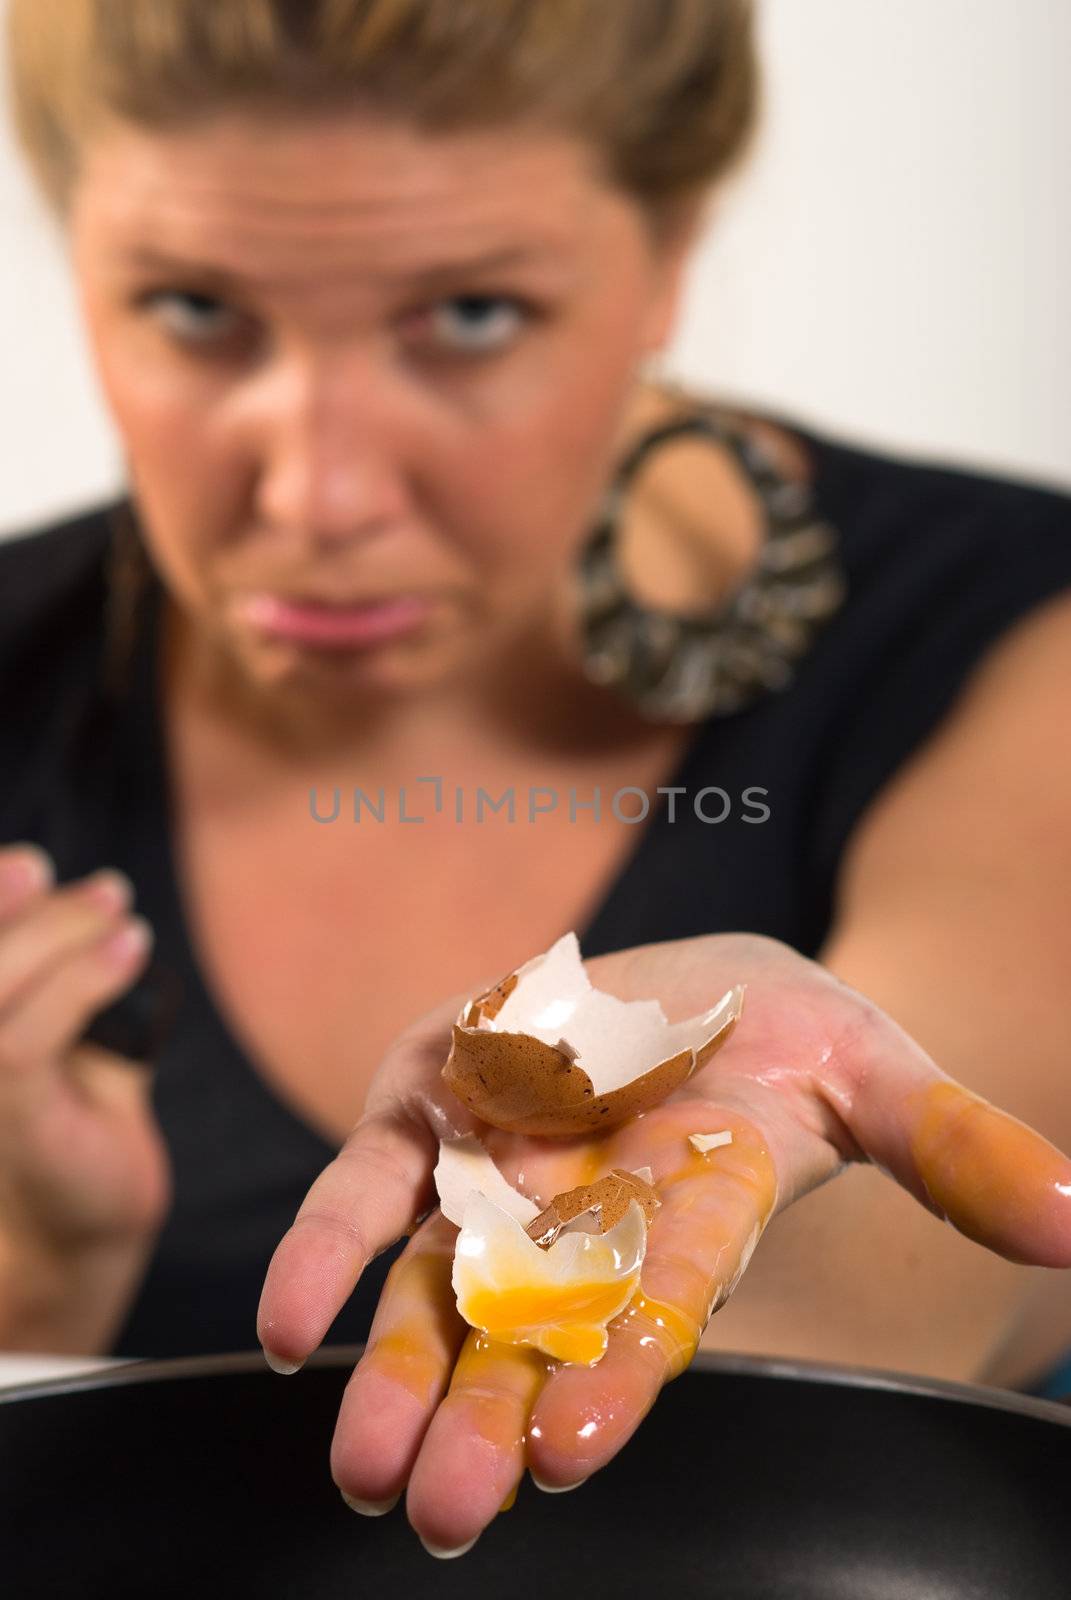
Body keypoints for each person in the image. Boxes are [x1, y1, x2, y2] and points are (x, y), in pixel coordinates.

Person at [2, 0, 1070, 1555]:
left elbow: (935, 1253)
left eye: (473, 315)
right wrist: (37, 1322)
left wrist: (685, 1196)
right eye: (191, 308)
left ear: (673, 250)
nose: (321, 488)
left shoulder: (1015, 638)